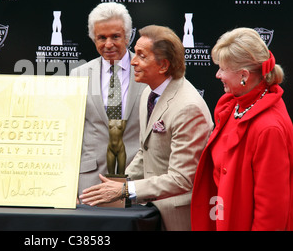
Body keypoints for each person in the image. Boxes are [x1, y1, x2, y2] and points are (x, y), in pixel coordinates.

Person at [80, 25, 213, 231]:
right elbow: (145, 150)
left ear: (163, 66)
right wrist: (116, 186)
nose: (132, 61)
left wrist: (125, 190)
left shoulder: (188, 108)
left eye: (141, 56)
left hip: (177, 217)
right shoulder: (148, 93)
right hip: (151, 211)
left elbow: (182, 179)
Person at [191, 28, 293, 231]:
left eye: (222, 69)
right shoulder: (232, 106)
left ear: (244, 75)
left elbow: (271, 211)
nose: (217, 74)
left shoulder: (269, 128)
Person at [70, 2, 146, 197]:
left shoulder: (148, 73)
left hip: (137, 179)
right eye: (101, 38)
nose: (108, 44)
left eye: (115, 36)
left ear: (128, 36)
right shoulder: (78, 75)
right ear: (93, 38)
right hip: (90, 180)